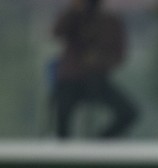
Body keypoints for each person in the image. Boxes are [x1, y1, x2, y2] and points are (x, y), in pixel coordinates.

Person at [51, 0, 138, 138]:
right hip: (71, 79)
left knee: (129, 112)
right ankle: (63, 149)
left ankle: (100, 143)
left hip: (98, 79)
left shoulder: (111, 22)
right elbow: (57, 32)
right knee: (62, 111)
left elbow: (119, 55)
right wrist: (74, 9)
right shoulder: (75, 17)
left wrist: (97, 61)